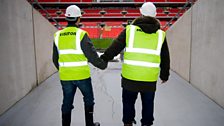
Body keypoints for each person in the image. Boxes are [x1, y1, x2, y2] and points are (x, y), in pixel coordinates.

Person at [100, 2, 170, 126]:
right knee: (148, 105)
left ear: (141, 13)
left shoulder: (129, 30)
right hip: (149, 79)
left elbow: (115, 47)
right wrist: (164, 75)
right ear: (155, 16)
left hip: (130, 78)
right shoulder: (160, 34)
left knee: (128, 103)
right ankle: (146, 123)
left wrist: (104, 59)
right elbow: (165, 57)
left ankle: (128, 123)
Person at [52, 5, 106, 126]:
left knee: (67, 102)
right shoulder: (81, 34)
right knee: (88, 100)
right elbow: (92, 56)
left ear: (66, 18)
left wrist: (64, 70)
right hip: (82, 76)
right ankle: (89, 124)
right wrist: (102, 65)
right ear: (78, 19)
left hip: (66, 77)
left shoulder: (57, 35)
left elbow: (55, 59)